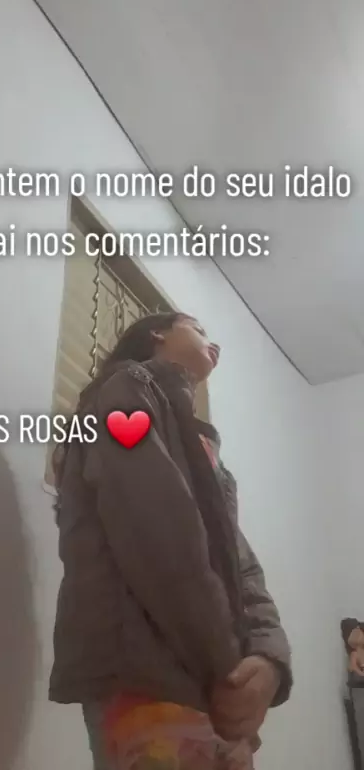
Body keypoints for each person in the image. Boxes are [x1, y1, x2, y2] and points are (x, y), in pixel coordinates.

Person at [49, 312, 292, 769]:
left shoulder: (202, 448)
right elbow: (159, 530)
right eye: (199, 328)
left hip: (212, 686)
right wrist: (229, 673)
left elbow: (239, 565)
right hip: (147, 676)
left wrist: (268, 660)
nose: (212, 342)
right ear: (157, 332)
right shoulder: (124, 391)